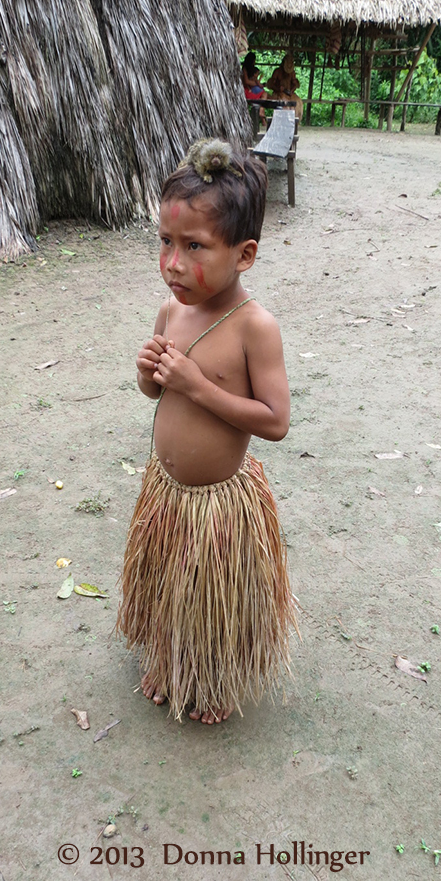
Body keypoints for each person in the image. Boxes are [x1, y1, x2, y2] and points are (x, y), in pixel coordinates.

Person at [117, 139, 298, 725]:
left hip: (220, 506)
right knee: (175, 588)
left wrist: (198, 386)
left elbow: (275, 422)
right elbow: (157, 394)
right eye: (165, 242)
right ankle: (170, 660)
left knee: (211, 600)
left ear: (244, 255)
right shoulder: (171, 312)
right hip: (169, 499)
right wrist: (151, 375)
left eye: (194, 246)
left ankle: (214, 676)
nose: (172, 263)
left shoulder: (255, 328)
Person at [267, 52, 303, 120]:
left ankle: (294, 120)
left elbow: (295, 84)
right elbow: (271, 84)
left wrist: (292, 90)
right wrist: (278, 89)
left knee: (298, 101)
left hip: (290, 93)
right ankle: (285, 119)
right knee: (284, 101)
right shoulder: (277, 71)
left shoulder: (292, 73)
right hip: (278, 93)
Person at [241, 51, 267, 127]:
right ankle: (262, 114)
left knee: (264, 95)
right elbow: (246, 82)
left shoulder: (250, 70)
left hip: (251, 90)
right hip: (246, 91)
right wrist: (257, 84)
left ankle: (262, 114)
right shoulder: (245, 69)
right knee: (264, 94)